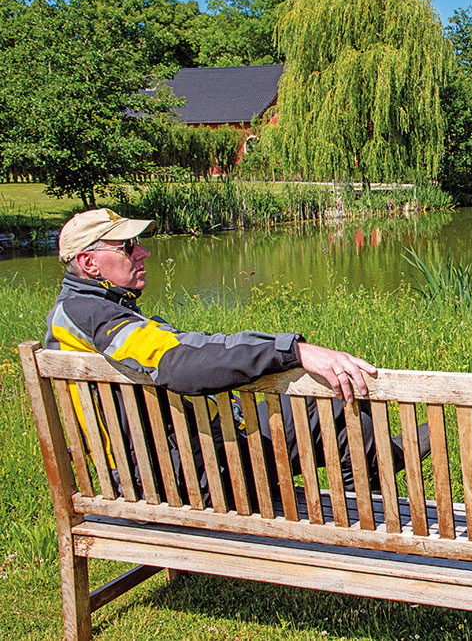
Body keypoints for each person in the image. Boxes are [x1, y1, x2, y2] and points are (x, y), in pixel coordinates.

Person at [46, 208, 427, 504]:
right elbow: (179, 364)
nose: (143, 251)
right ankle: (373, 498)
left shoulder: (79, 314)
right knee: (333, 412)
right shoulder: (90, 316)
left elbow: (181, 349)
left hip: (165, 463)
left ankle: (377, 471)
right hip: (181, 478)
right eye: (127, 246)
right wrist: (292, 350)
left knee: (323, 413)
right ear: (89, 263)